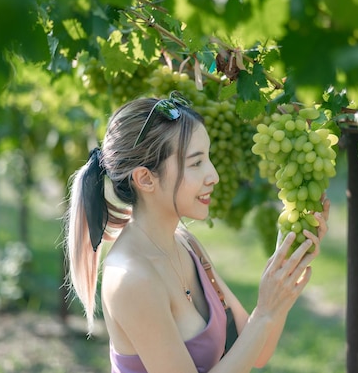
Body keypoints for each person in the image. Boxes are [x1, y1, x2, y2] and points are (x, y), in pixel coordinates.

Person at [64, 93, 330, 373]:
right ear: (145, 178)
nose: (213, 175)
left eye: (208, 158)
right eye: (195, 163)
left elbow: (256, 351)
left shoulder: (184, 242)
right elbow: (259, 325)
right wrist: (264, 311)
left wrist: (288, 260)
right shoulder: (131, 279)